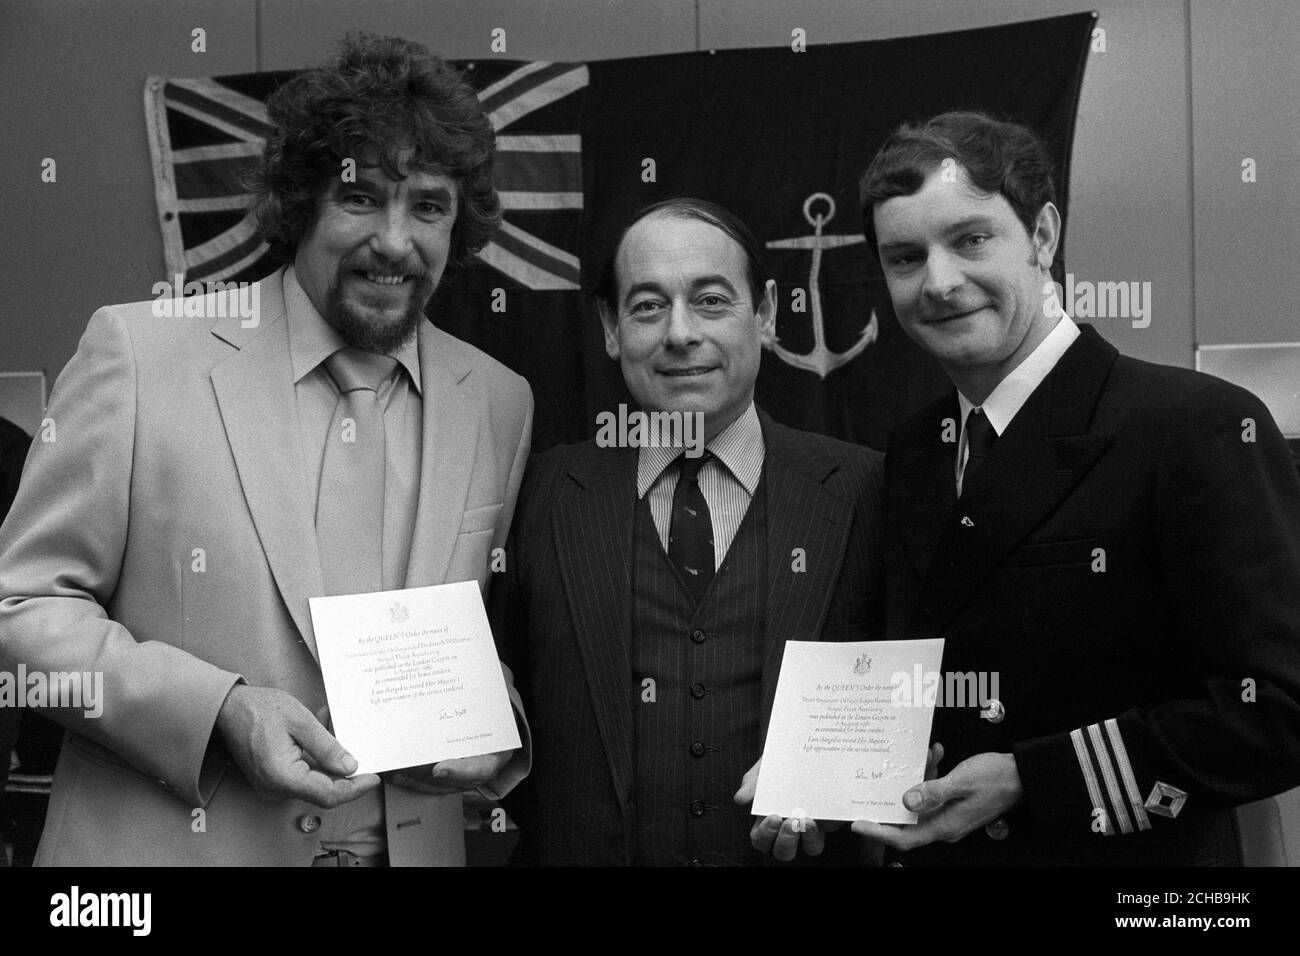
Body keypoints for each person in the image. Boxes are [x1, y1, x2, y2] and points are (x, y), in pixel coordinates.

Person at [0, 34, 533, 866]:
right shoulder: (139, 355)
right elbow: (20, 610)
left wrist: (496, 718)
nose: (395, 242)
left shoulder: (498, 401)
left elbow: (488, 642)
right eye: (360, 199)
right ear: (300, 203)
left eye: (428, 206)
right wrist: (218, 712)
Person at [852, 110, 1300, 865]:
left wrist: (1034, 778)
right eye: (905, 257)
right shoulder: (916, 451)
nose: (939, 282)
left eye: (971, 240)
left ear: (1043, 235)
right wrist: (818, 780)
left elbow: (1280, 711)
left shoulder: (1195, 425)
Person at [493, 198, 884, 865]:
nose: (680, 333)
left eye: (710, 301)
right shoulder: (539, 493)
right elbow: (494, 695)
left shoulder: (866, 491)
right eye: (648, 306)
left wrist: (842, 783)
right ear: (611, 327)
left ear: (765, 313)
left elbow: (905, 707)